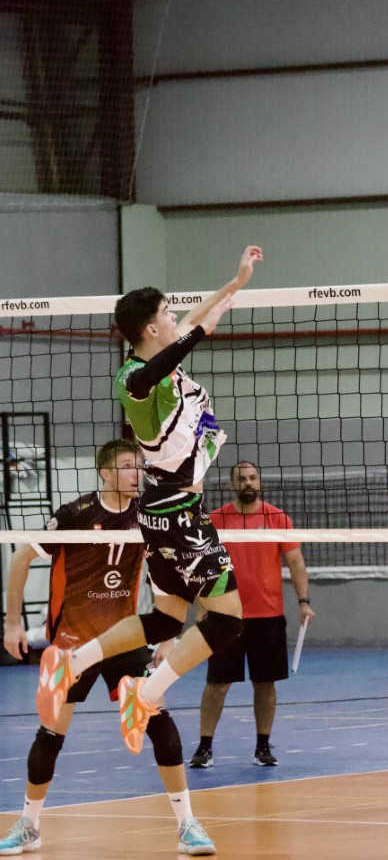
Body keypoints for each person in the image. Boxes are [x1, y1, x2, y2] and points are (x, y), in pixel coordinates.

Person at [36, 246, 263, 758]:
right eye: (166, 312)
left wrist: (234, 284)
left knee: (164, 621)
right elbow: (153, 369)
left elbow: (193, 321)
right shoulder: (133, 380)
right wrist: (197, 334)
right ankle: (147, 692)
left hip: (167, 509)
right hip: (176, 512)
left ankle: (73, 663)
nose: (174, 316)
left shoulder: (165, 355)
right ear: (150, 328)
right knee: (227, 621)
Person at [0, 439, 215, 856]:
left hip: (125, 639)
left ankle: (187, 825)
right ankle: (29, 825)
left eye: (140, 466)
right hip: (72, 643)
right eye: (129, 466)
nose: (138, 473)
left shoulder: (148, 515)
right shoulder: (76, 514)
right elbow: (20, 559)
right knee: (50, 734)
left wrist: (167, 639)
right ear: (105, 472)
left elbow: (170, 576)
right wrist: (12, 624)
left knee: (159, 720)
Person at [190, 461, 314, 769]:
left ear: (259, 482)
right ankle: (204, 747)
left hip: (268, 615)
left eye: (253, 477)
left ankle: (262, 746)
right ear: (232, 485)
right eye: (242, 478)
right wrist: (201, 605)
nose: (248, 482)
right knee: (217, 683)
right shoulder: (215, 520)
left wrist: (303, 601)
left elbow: (296, 562)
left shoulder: (277, 518)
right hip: (224, 614)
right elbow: (201, 566)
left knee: (265, 683)